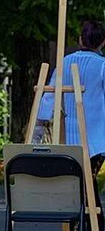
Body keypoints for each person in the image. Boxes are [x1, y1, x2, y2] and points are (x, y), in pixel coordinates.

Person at [36, 20, 105, 185]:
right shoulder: (102, 65)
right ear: (103, 42)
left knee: (76, 184)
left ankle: (86, 211)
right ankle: (89, 212)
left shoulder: (64, 62)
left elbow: (49, 96)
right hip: (96, 138)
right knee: (87, 183)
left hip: (66, 137)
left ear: (80, 39)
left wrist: (38, 126)